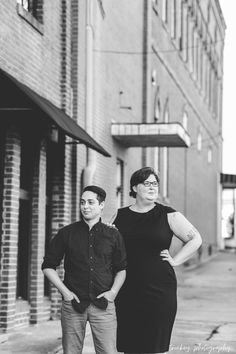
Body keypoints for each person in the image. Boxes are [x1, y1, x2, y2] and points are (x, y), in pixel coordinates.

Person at [113, 167, 202, 354]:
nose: (152, 187)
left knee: (154, 346)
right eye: (147, 183)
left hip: (160, 290)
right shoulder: (119, 216)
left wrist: (176, 260)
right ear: (135, 187)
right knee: (131, 345)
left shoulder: (169, 215)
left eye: (155, 184)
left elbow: (196, 240)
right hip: (127, 289)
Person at [42, 185, 127, 354]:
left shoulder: (113, 235)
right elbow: (48, 266)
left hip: (104, 306)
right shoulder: (67, 233)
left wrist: (113, 293)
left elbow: (121, 269)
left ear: (101, 205)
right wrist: (65, 292)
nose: (85, 206)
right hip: (73, 305)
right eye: (82, 202)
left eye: (90, 202)